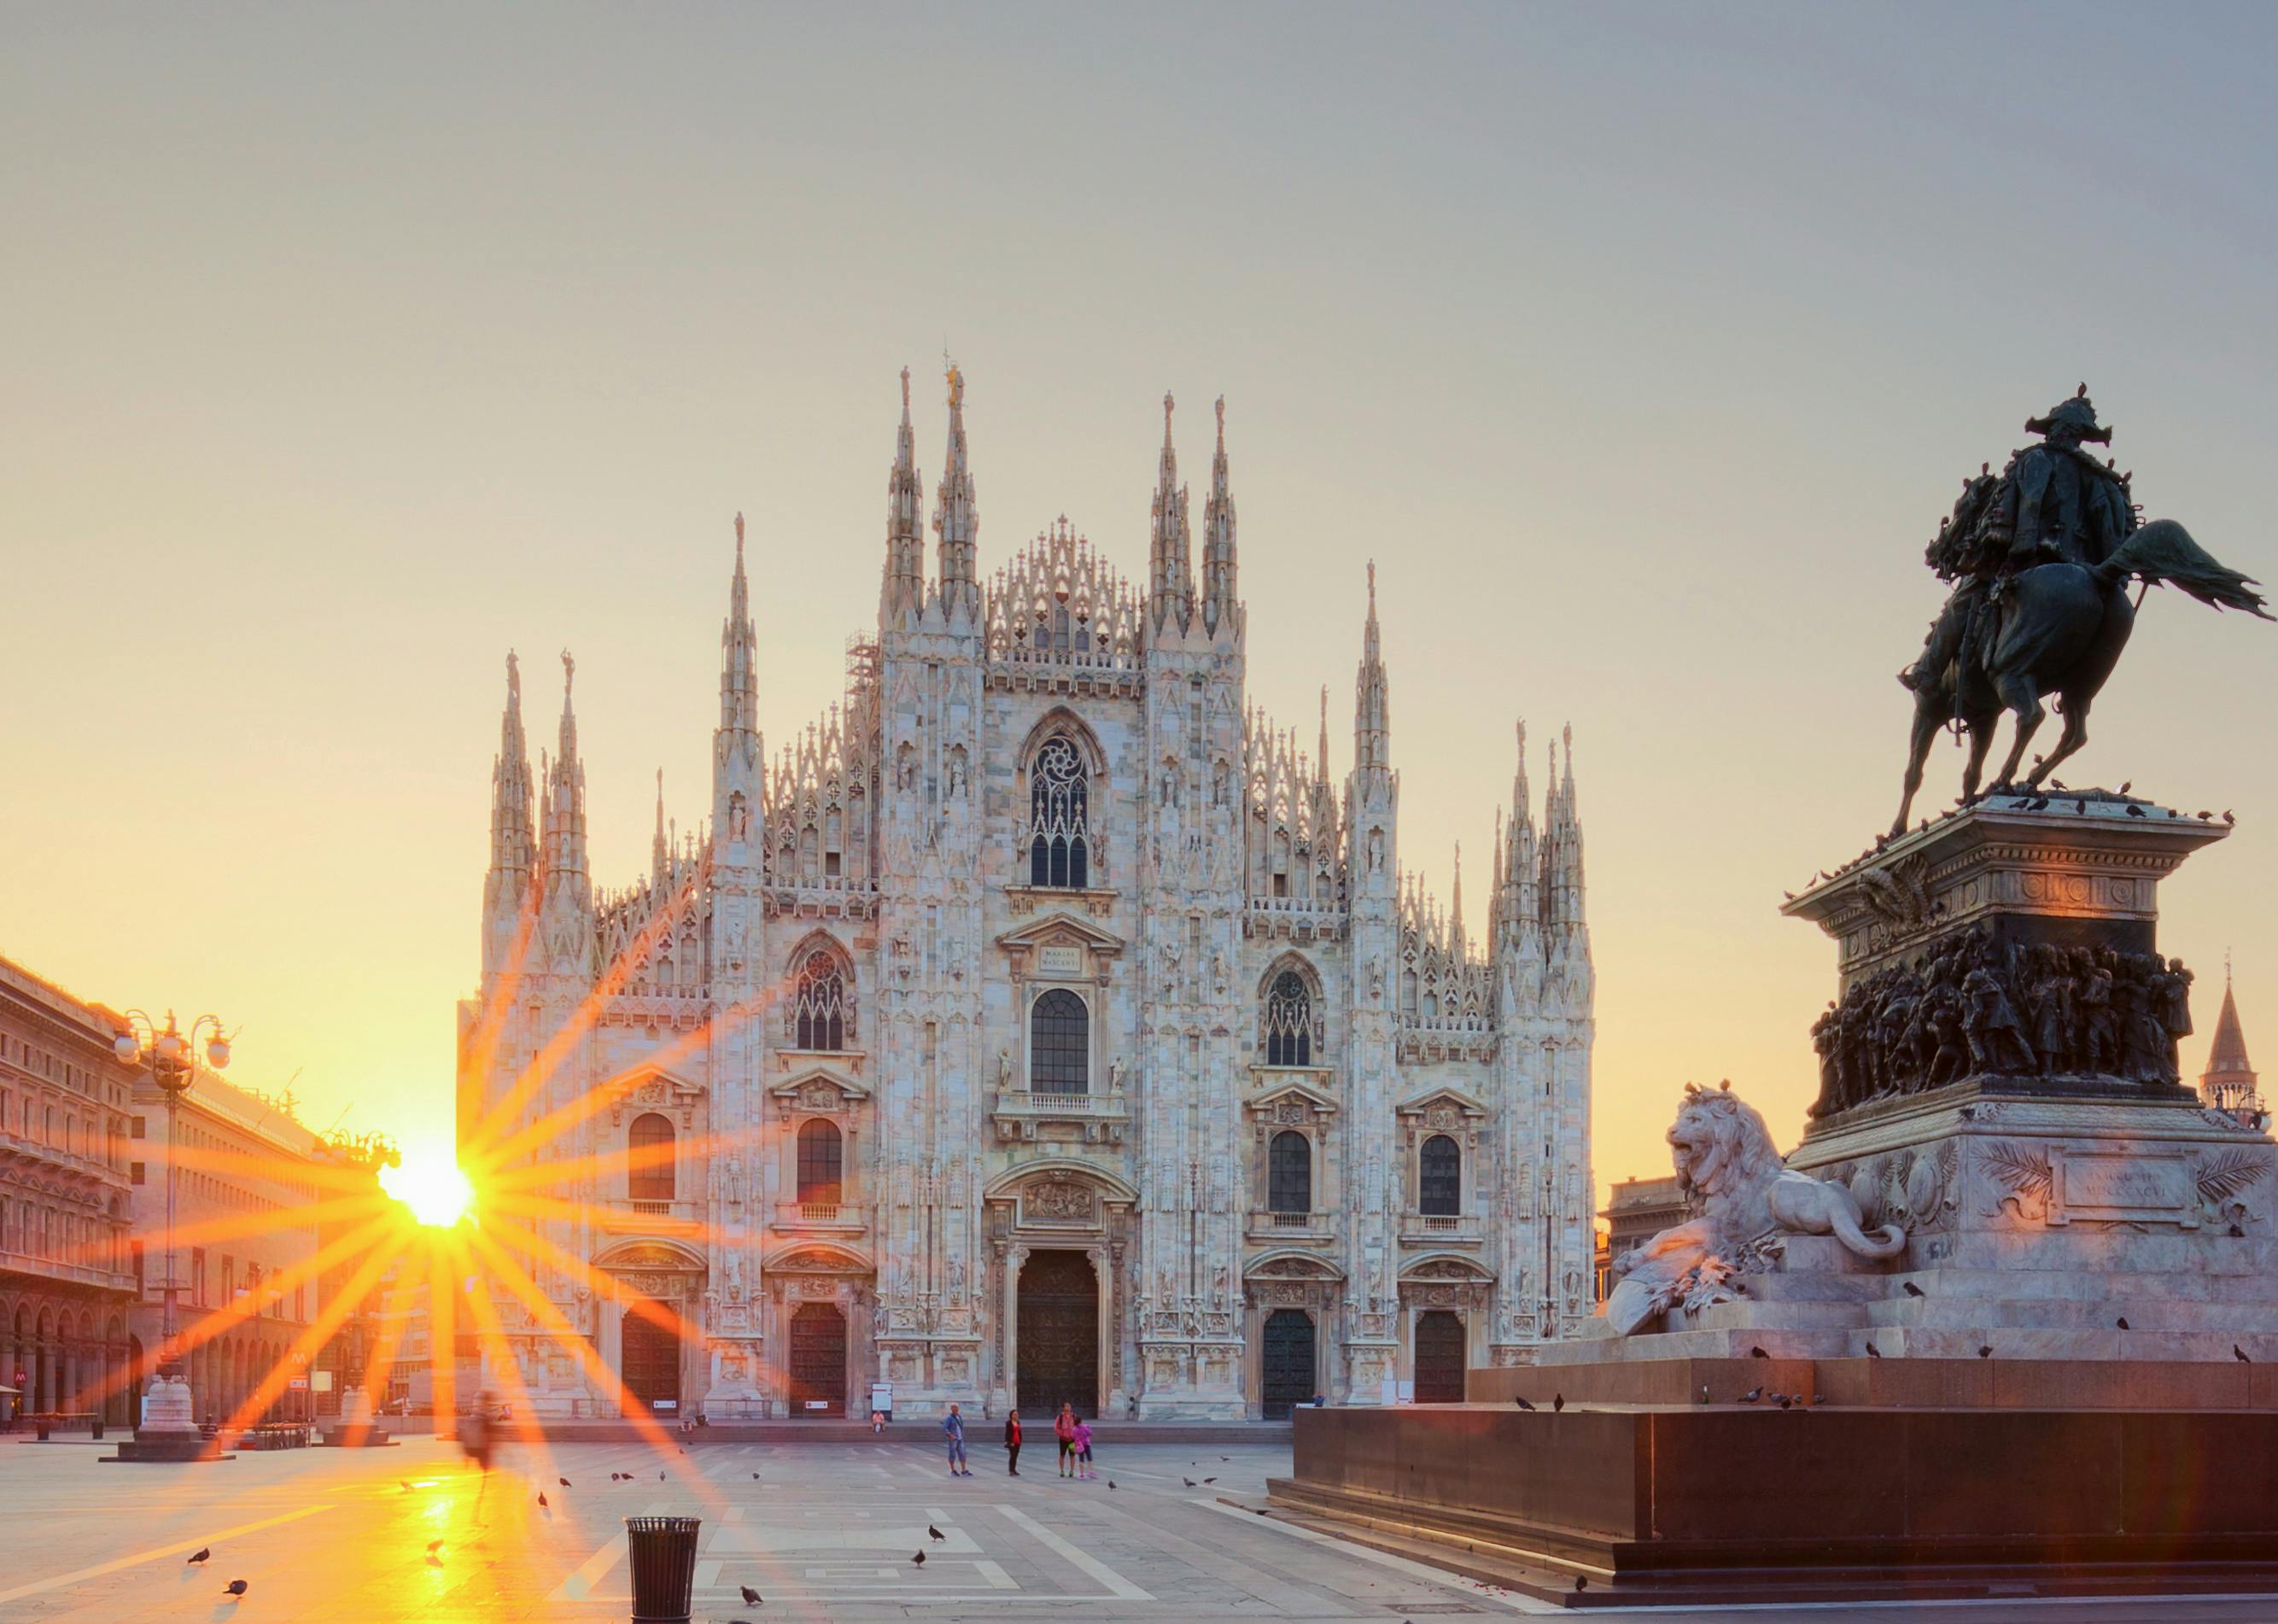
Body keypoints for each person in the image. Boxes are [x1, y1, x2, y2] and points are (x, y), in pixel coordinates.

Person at [942, 1402, 971, 1477]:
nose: (955, 1409)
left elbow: (961, 1427)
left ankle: (964, 1470)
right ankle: (953, 1470)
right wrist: (950, 1435)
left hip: (960, 1439)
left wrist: (962, 1434)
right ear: (951, 1409)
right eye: (953, 1407)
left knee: (963, 1454)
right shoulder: (949, 1418)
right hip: (953, 1439)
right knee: (952, 1454)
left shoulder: (960, 1417)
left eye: (956, 1408)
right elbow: (944, 1428)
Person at [1054, 1403, 1077, 1477]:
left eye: (1069, 1406)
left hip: (1071, 1440)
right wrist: (1062, 1434)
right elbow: (1056, 1427)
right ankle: (1062, 1471)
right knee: (1062, 1455)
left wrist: (1075, 1435)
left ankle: (1072, 1471)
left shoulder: (1074, 1417)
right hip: (1063, 1440)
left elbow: (1078, 1426)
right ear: (1063, 1408)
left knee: (1072, 1455)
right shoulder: (1060, 1417)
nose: (1069, 1407)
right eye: (1067, 1406)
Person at [1072, 1415, 1094, 1480]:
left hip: (1079, 1446)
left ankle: (1081, 1474)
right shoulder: (1085, 1427)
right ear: (1081, 1421)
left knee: (1081, 1459)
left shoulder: (1074, 1429)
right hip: (1086, 1444)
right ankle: (1091, 1471)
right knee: (1089, 1458)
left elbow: (1073, 1437)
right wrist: (1089, 1428)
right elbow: (1090, 1433)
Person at [1003, 1409, 1022, 1475]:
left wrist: (1020, 1441)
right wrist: (1009, 1441)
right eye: (1015, 1414)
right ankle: (1011, 1470)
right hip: (1012, 1442)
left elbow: (1019, 1432)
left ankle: (1014, 1470)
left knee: (1015, 1456)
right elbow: (1007, 1433)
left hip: (1018, 1441)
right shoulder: (1008, 1423)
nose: (1016, 1415)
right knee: (1012, 1456)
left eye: (1017, 1414)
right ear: (1011, 1415)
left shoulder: (1018, 1422)